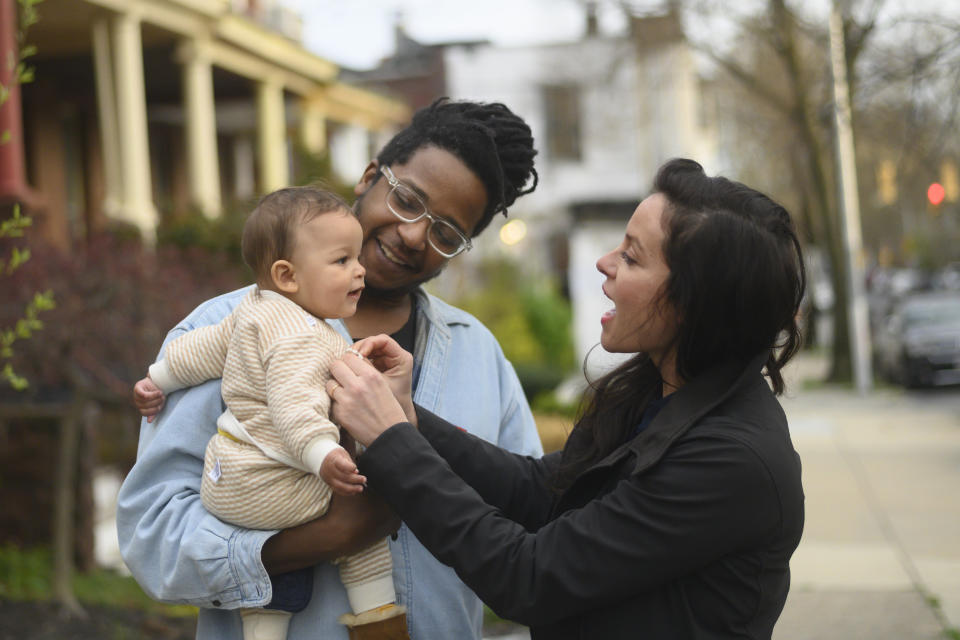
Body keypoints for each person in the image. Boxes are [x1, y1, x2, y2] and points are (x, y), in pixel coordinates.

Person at [325, 158, 807, 640]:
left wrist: (391, 439)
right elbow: (542, 492)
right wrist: (409, 419)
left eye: (633, 258)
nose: (605, 262)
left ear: (694, 303)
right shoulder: (654, 394)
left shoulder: (729, 461)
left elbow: (529, 578)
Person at [117, 98, 544, 640]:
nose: (415, 235)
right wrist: (317, 539)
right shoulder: (231, 325)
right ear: (371, 177)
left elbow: (527, 525)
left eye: (446, 233)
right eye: (409, 200)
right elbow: (151, 537)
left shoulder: (478, 354)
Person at [132, 187, 409, 640]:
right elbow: (294, 406)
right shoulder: (301, 336)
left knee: (278, 563)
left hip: (229, 483)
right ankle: (383, 626)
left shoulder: (252, 310)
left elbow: (202, 352)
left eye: (356, 257)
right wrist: (324, 454)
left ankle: (264, 631)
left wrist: (155, 380)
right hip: (275, 480)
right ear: (287, 275)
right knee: (364, 532)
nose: (359, 270)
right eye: (342, 261)